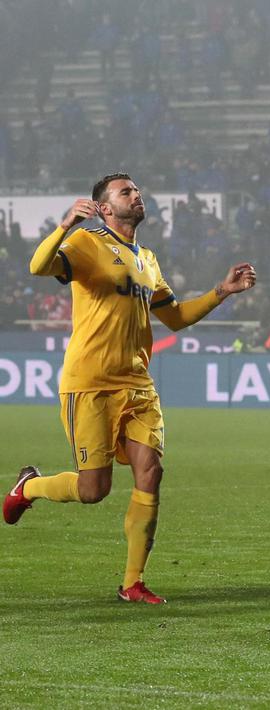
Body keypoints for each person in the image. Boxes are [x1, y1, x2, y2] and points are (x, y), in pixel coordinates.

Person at [4, 173, 257, 604]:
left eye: (136, 190)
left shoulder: (148, 259)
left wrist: (221, 291)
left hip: (138, 384)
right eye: (126, 191)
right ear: (104, 208)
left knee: (151, 472)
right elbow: (38, 266)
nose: (136, 195)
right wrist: (65, 225)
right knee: (92, 491)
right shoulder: (86, 244)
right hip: (90, 384)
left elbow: (174, 317)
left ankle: (132, 582)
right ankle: (29, 487)